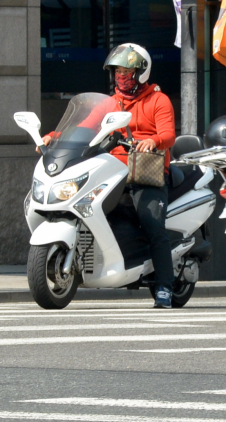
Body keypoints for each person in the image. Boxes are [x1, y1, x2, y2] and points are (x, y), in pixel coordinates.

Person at [41, 43, 177, 308]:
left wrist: (153, 140)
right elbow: (84, 128)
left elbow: (169, 134)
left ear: (141, 72)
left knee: (152, 224)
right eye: (117, 72)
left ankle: (164, 286)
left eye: (127, 71)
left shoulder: (158, 100)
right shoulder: (110, 103)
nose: (121, 77)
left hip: (145, 173)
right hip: (112, 172)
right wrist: (55, 137)